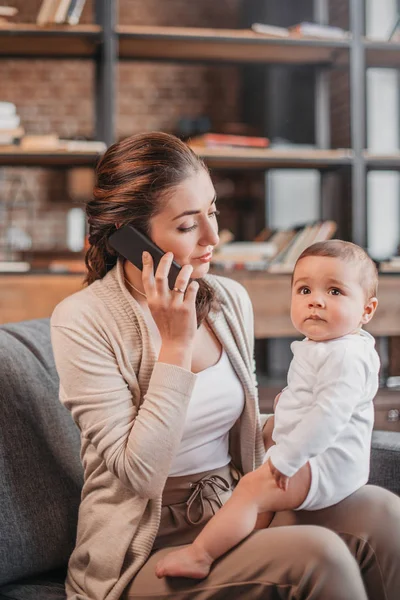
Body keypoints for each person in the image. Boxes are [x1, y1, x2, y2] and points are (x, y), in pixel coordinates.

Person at [50, 132, 400, 600]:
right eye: (189, 225)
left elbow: (239, 430)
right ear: (130, 237)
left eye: (212, 211)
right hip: (141, 549)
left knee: (382, 513)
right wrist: (176, 346)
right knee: (319, 556)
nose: (215, 238)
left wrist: (297, 425)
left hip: (232, 512)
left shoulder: (227, 299)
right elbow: (140, 474)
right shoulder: (84, 320)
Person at [155, 239, 382, 581]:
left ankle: (199, 555)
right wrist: (287, 407)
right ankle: (250, 547)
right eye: (304, 289)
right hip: (321, 457)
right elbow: (313, 397)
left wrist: (287, 458)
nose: (316, 300)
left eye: (335, 292)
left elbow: (329, 415)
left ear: (367, 310)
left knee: (249, 489)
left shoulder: (345, 356)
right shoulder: (329, 347)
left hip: (327, 464)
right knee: (259, 499)